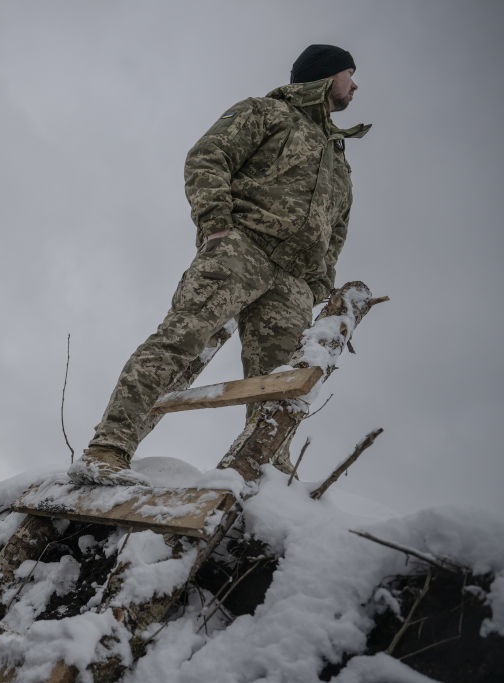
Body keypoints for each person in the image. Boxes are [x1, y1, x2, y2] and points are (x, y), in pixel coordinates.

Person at [70, 44, 371, 485]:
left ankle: (263, 479)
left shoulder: (338, 159)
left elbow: (337, 228)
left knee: (279, 383)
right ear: (326, 77)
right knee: (179, 340)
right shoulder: (266, 112)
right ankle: (109, 448)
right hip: (241, 249)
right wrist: (216, 225)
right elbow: (209, 156)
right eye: (350, 74)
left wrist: (319, 283)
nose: (356, 85)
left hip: (293, 281)